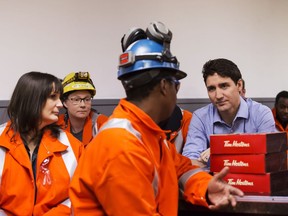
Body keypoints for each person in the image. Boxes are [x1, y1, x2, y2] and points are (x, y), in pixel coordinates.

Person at [69, 21, 243, 215]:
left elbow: (181, 169)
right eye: (176, 85)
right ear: (164, 87)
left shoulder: (149, 135)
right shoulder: (121, 145)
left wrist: (206, 186)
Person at [0, 72, 84, 215]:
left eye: (60, 98)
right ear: (31, 99)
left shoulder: (72, 146)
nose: (60, 104)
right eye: (53, 97)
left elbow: (82, 194)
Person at [182, 58, 277, 167]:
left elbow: (268, 160)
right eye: (212, 89)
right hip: (212, 181)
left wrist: (223, 148)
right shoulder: (200, 117)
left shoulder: (261, 113)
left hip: (252, 181)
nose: (218, 96)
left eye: (224, 86)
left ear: (239, 85)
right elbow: (190, 162)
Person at [58, 71, 108, 146]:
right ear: (65, 102)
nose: (83, 105)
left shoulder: (102, 124)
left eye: (87, 99)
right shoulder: (57, 125)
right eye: (76, 99)